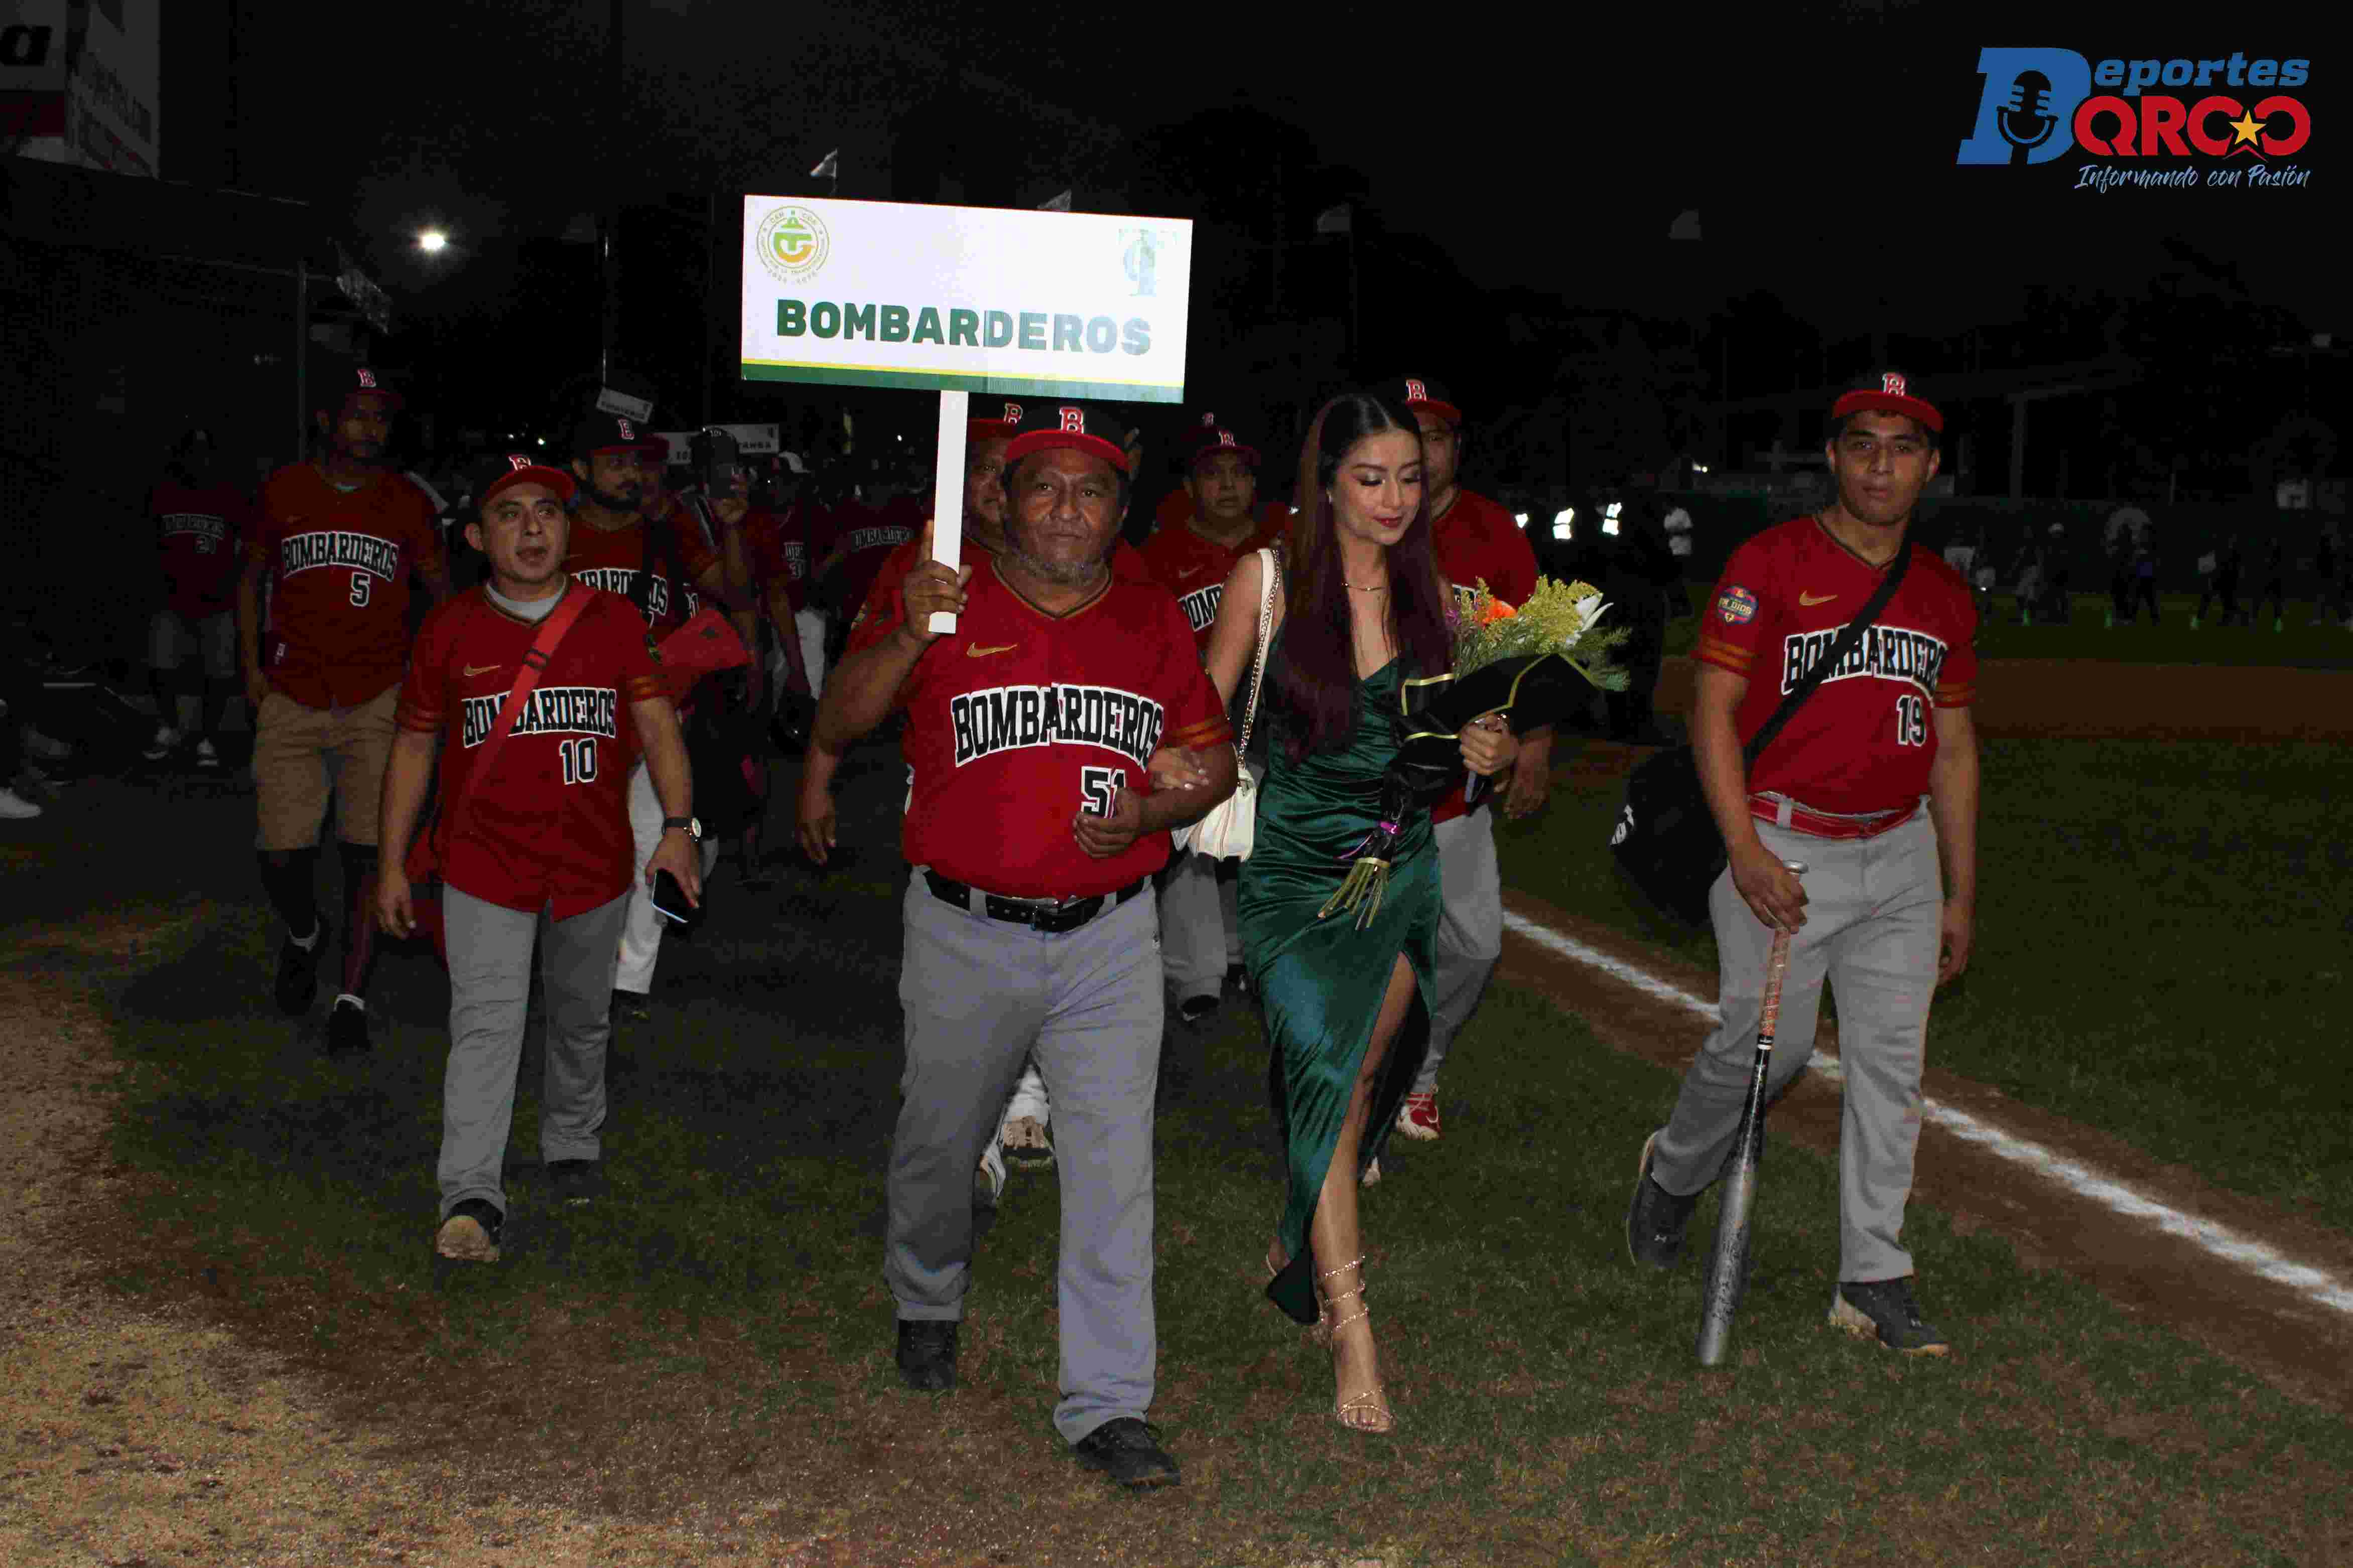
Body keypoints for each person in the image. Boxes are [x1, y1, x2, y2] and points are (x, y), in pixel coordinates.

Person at [816, 398, 1235, 1489]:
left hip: (1110, 935)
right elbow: (838, 720)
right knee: (938, 1142)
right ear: (999, 495)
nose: (1064, 506)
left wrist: (1154, 813)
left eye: (1090, 488)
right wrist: (910, 628)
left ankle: (1107, 1400)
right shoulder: (947, 599)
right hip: (964, 926)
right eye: (1042, 483)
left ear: (1118, 508)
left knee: (1112, 1166)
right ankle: (926, 1292)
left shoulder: (1147, 618)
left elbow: (1210, 756)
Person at [1625, 372, 1979, 1356]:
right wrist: (1743, 849)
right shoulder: (1769, 562)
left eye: (1903, 446)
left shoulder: (1944, 592)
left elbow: (1951, 748)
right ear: (1831, 456)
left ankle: (1873, 1272)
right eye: (1861, 442)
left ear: (1930, 466)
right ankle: (1673, 1172)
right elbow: (1712, 709)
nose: (1880, 462)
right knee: (1763, 1053)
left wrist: (1959, 888)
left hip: (1899, 851)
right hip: (1783, 835)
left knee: (1890, 1067)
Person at [1207, 389, 1518, 1433]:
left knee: (1356, 1082)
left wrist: (1492, 750)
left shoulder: (1445, 598)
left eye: (1408, 479)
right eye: (1369, 478)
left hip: (1401, 867)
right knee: (1326, 1080)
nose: (1391, 499)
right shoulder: (1268, 578)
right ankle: (1353, 1323)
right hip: (1296, 876)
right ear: (1326, 481)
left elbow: (1488, 736)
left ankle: (1298, 1231)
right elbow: (1204, 720)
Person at [377, 452, 701, 1263]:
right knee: (486, 1024)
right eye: (512, 513)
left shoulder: (613, 621)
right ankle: (471, 1195)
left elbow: (658, 727)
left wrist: (678, 824)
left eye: (548, 512)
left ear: (569, 529)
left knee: (581, 1018)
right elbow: (414, 748)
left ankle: (569, 1142)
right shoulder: (449, 628)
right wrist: (389, 862)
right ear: (480, 536)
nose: (531, 528)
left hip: (590, 861)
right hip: (486, 865)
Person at [239, 367, 451, 1054]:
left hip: (377, 697)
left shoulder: (406, 502)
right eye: (356, 414)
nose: (369, 428)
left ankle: (351, 996)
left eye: (380, 417)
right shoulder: (285, 489)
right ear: (327, 421)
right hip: (293, 692)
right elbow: (250, 581)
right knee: (281, 853)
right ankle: (305, 932)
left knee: (368, 853)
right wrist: (249, 666)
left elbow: (443, 596)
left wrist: (433, 677)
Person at [1387, 375, 1548, 1143]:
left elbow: (1533, 651)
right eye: (1406, 430)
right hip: (1368, 785)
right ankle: (1365, 1098)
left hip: (1460, 786)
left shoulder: (1492, 530)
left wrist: (1533, 741)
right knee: (1371, 950)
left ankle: (1421, 1065)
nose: (1422, 448)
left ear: (1458, 449)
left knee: (1474, 944)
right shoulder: (1354, 519)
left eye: (1438, 434)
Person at [1136, 418, 1285, 1029]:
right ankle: (1195, 972)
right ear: (1190, 485)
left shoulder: (1286, 544)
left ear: (1254, 483)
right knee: (1193, 835)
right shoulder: (1160, 553)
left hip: (1274, 717)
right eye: (1211, 474)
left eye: (1238, 473)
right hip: (1189, 715)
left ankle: (1250, 954)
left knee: (1266, 841)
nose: (1226, 485)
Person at [560, 412, 707, 1026]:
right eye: (614, 461)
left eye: (637, 461)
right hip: (576, 714)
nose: (629, 473)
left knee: (656, 840)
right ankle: (570, 963)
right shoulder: (556, 535)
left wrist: (723, 527)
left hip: (655, 714)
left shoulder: (666, 535)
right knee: (576, 842)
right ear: (581, 469)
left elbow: (733, 594)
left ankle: (628, 979)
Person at [145, 429, 254, 769]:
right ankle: (170, 728)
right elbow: (149, 544)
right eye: (192, 451)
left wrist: (229, 583)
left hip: (216, 601)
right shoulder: (165, 493)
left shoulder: (228, 496)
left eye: (205, 451)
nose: (198, 458)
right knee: (161, 666)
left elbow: (246, 546)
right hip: (171, 599)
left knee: (218, 674)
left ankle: (207, 738)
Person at [2193, 533, 2243, 630]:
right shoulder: (2222, 550)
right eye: (2232, 539)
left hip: (2228, 582)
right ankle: (2198, 620)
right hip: (2218, 580)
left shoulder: (2236, 554)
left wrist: (2235, 582)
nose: (2233, 541)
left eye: (2235, 539)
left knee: (2229, 604)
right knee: (2207, 598)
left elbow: (2237, 570)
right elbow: (2211, 564)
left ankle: (2230, 620)